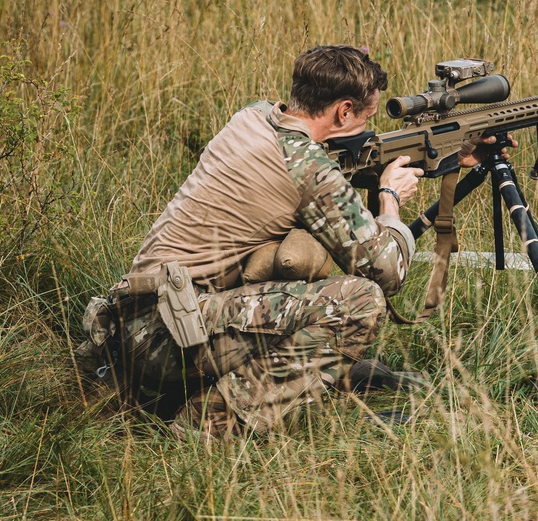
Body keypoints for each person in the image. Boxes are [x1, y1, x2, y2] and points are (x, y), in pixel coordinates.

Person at [90, 45, 499, 439]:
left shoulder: (252, 117)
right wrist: (389, 200)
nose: (369, 125)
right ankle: (211, 423)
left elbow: (325, 165)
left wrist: (448, 152)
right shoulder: (309, 169)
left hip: (132, 321)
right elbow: (385, 269)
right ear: (343, 110)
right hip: (167, 339)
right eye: (368, 115)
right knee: (360, 302)